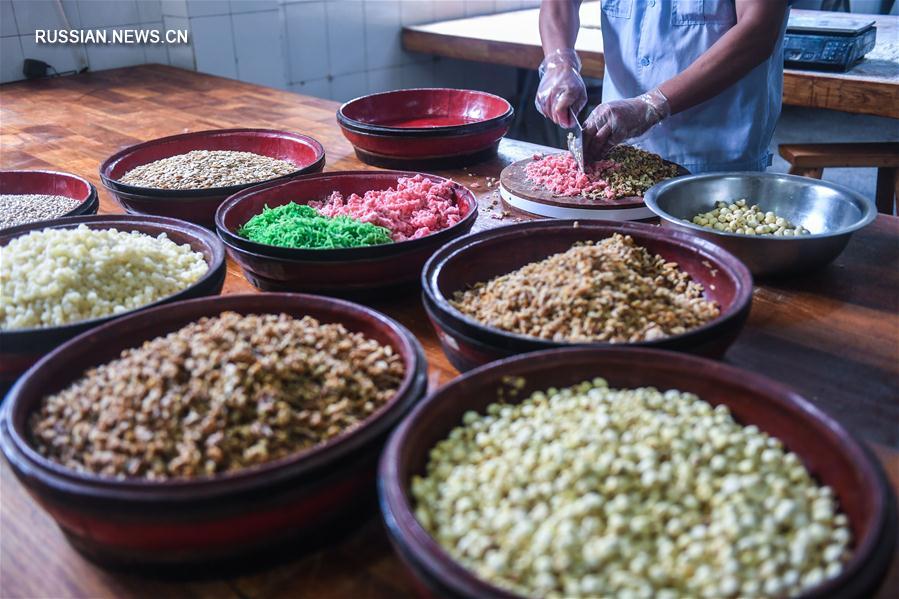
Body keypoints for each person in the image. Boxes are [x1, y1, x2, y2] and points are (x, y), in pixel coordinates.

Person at [536, 0, 790, 173]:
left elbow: (758, 30)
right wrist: (559, 63)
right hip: (619, 147)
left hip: (715, 153)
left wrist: (652, 104)